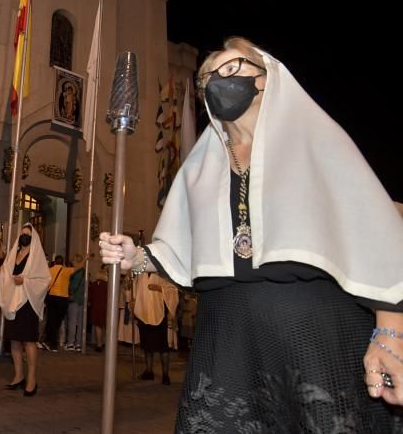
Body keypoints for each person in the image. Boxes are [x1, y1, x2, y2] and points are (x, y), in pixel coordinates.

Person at [99, 37, 403, 431]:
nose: (218, 80)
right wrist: (136, 256)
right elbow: (181, 249)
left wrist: (389, 334)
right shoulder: (197, 168)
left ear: (267, 78)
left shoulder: (319, 142)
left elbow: (377, 242)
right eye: (208, 76)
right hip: (226, 343)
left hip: (313, 338)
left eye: (233, 69)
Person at [0, 223, 51, 396]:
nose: (23, 236)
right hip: (14, 300)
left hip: (28, 302)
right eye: (22, 233)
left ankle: (32, 379)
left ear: (33, 237)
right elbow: (6, 272)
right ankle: (18, 376)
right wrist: (1, 272)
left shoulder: (37, 257)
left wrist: (26, 281)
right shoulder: (15, 254)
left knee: (28, 340)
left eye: (27, 234)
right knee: (13, 340)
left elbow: (44, 280)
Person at [132, 271, 178, 385]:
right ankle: (149, 371)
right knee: (147, 345)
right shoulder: (140, 274)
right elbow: (135, 291)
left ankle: (166, 375)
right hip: (144, 313)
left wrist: (159, 288)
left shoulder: (162, 274)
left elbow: (173, 290)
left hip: (159, 314)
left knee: (163, 347)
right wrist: (133, 301)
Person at [41, 254, 71, 353]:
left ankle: (47, 340)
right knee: (57, 322)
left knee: (51, 319)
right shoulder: (66, 270)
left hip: (51, 297)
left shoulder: (50, 270)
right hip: (62, 298)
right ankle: (51, 343)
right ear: (63, 262)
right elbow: (78, 268)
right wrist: (84, 259)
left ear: (55, 261)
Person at [64, 254, 88, 352]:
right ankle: (78, 343)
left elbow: (72, 285)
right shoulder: (85, 273)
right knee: (80, 322)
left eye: (73, 261)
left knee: (72, 322)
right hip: (82, 299)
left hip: (74, 299)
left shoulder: (74, 272)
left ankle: (70, 343)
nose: (72, 262)